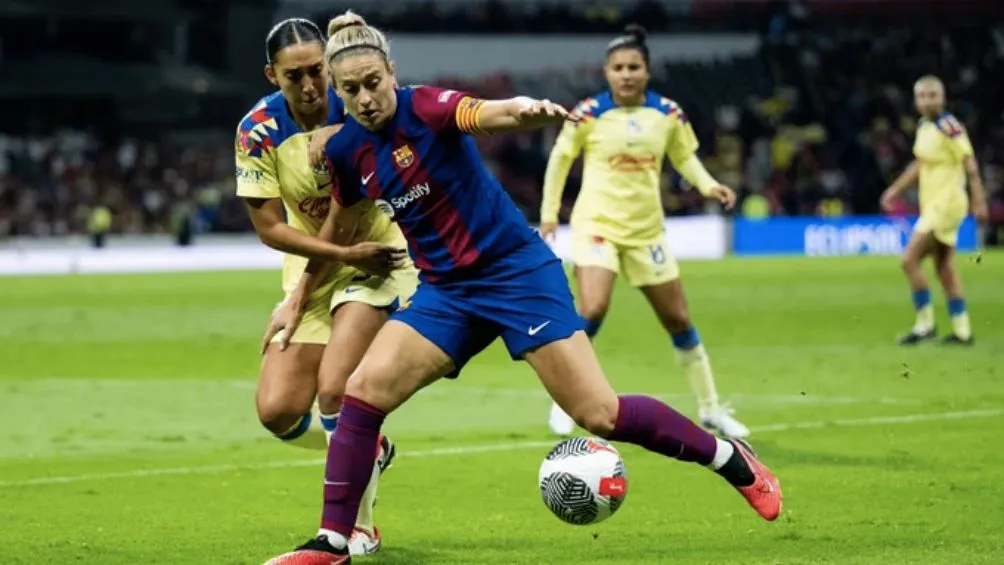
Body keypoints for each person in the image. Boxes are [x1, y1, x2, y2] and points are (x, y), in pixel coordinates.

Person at [277, 11, 782, 563]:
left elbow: (486, 114)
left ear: (391, 73)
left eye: (374, 83)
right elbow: (340, 227)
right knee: (361, 393)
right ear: (337, 90)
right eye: (351, 90)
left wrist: (524, 111)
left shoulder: (426, 106)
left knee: (599, 413)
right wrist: (298, 298)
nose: (366, 97)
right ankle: (334, 542)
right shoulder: (348, 150)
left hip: (517, 274)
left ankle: (728, 458)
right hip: (447, 293)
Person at [235, 17, 418, 556]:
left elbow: (350, 211)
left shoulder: (359, 103)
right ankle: (369, 446)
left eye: (317, 71)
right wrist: (300, 292)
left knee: (337, 388)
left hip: (378, 255)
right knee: (277, 411)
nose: (312, 86)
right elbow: (271, 228)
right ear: (273, 76)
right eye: (295, 77)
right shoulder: (258, 131)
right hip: (320, 259)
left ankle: (357, 529)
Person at [540, 24, 749, 439]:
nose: (626, 74)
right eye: (618, 67)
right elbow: (560, 160)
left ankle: (710, 408)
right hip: (597, 225)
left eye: (634, 66)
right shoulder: (586, 114)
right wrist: (549, 214)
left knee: (678, 319)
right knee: (592, 309)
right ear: (606, 72)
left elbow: (684, 157)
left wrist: (709, 185)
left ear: (647, 71)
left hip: (647, 232)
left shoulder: (668, 114)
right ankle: (568, 400)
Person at [880, 75, 987, 345]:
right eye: (923, 96)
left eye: (933, 95)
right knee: (944, 269)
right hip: (934, 204)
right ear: (916, 101)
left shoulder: (948, 126)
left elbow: (969, 163)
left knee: (909, 260)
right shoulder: (924, 126)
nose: (928, 101)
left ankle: (925, 325)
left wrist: (979, 200)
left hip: (946, 204)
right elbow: (920, 164)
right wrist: (896, 190)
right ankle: (963, 331)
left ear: (943, 98)